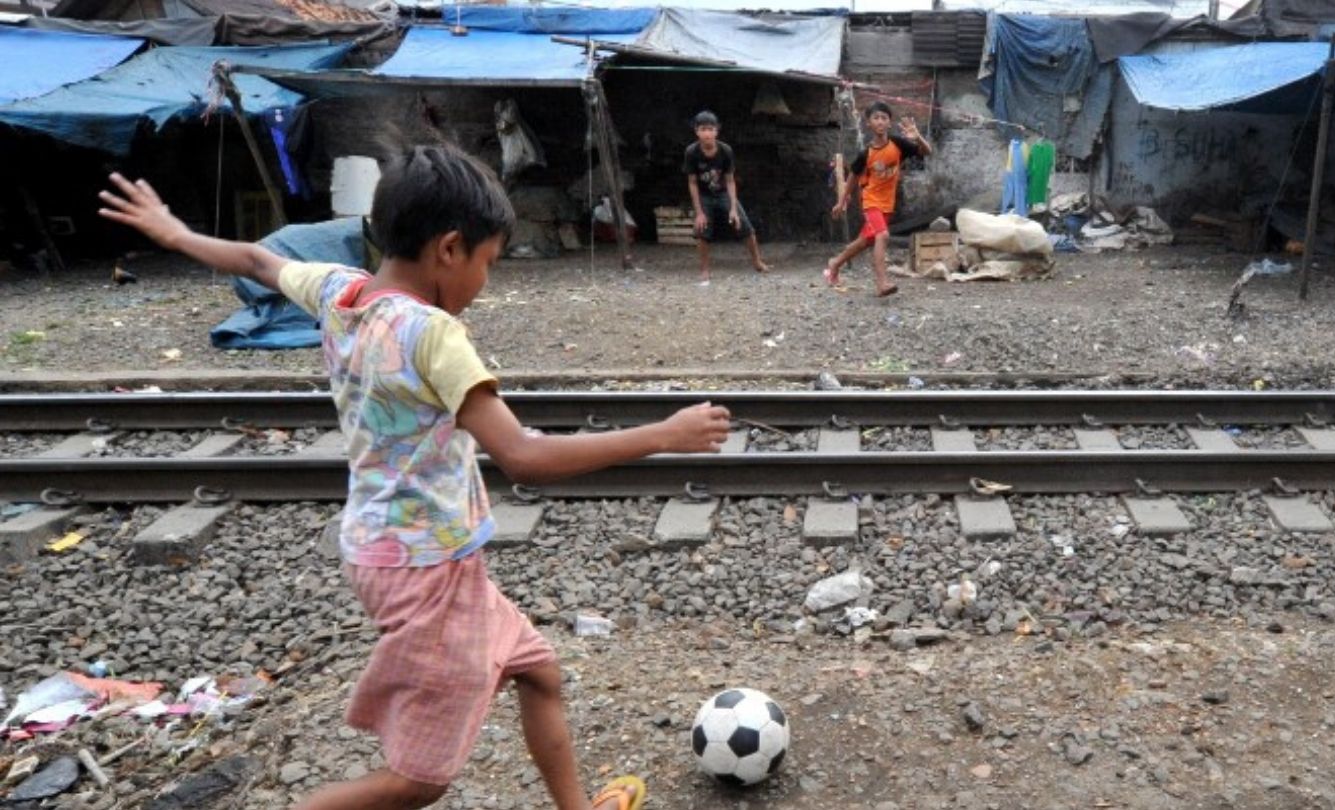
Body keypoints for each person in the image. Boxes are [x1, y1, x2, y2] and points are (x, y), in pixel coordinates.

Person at [99, 143, 732, 810]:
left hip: (403, 552)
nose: (486, 283)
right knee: (421, 780)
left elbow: (259, 260)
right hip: (427, 571)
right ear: (450, 249)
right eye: (489, 263)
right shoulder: (433, 335)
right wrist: (665, 434)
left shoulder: (343, 291)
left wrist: (175, 233)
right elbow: (521, 455)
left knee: (538, 671)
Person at [824, 101, 932, 297]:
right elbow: (853, 178)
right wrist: (841, 201)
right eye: (876, 118)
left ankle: (835, 264)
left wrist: (918, 138)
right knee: (882, 236)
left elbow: (927, 152)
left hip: (887, 205)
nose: (880, 121)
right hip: (870, 201)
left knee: (865, 241)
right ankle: (882, 283)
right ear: (869, 124)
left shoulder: (898, 144)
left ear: (889, 123)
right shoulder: (866, 154)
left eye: (884, 118)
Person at [682, 110, 769, 285]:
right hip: (704, 194)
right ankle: (705, 270)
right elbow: (692, 182)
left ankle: (757, 262)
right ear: (697, 131)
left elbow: (730, 180)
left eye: (710, 129)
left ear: (716, 131)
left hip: (723, 192)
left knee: (745, 226)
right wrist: (699, 212)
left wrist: (733, 209)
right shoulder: (691, 152)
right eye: (703, 129)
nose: (707, 133)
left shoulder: (725, 150)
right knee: (701, 231)